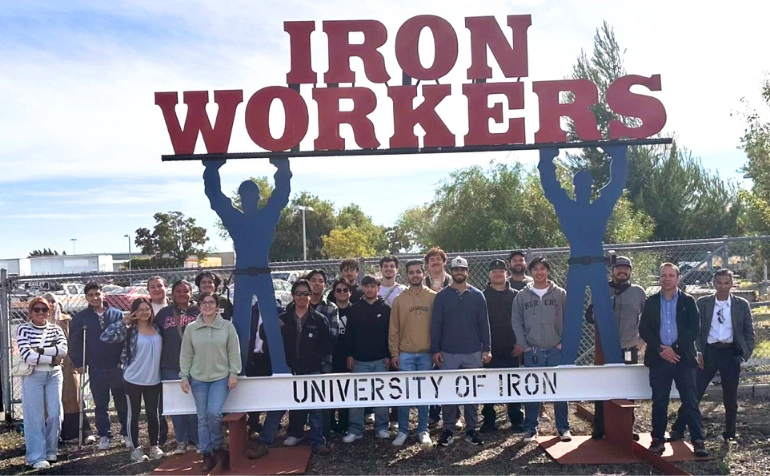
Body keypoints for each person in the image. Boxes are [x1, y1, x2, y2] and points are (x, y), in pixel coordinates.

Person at [539, 146, 627, 365]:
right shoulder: (570, 207)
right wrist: (545, 157)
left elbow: (616, 185)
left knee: (604, 316)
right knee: (572, 319)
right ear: (576, 188)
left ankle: (614, 363)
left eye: (586, 185)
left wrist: (618, 156)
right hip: (577, 266)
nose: (583, 189)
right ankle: (568, 364)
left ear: (590, 187)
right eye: (581, 185)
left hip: (595, 265)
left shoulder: (597, 207)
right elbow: (550, 188)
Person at [204, 158, 291, 375]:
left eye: (252, 196)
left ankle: (279, 366)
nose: (249, 200)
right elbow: (215, 198)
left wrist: (283, 168)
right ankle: (239, 368)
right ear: (241, 198)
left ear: (257, 198)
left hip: (261, 274)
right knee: (241, 324)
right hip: (244, 275)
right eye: (245, 196)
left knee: (271, 323)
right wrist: (211, 169)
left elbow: (281, 195)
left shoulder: (265, 216)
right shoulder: (238, 219)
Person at [247, 280, 332, 459]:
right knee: (277, 407)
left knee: (315, 408)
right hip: (287, 370)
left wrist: (314, 361)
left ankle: (318, 442)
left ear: (310, 296)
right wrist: (270, 324)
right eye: (298, 293)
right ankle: (264, 443)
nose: (302, 297)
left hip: (311, 370)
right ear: (293, 296)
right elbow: (263, 334)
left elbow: (327, 346)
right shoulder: (283, 318)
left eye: (305, 293)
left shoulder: (320, 320)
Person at [670, 268, 755, 443]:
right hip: (708, 353)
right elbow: (695, 330)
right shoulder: (703, 303)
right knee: (694, 392)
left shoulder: (741, 304)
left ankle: (730, 433)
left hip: (731, 353)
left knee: (730, 396)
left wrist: (744, 354)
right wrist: (697, 352)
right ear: (713, 283)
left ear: (732, 284)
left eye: (726, 283)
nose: (723, 286)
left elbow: (749, 332)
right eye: (719, 282)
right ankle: (678, 429)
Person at [638, 263, 708, 457]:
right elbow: (644, 329)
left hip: (683, 359)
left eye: (671, 275)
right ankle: (658, 440)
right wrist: (661, 349)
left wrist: (674, 348)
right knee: (659, 401)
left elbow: (694, 329)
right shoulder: (651, 302)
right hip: (659, 358)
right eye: (663, 276)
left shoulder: (688, 301)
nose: (667, 279)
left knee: (690, 401)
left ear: (678, 279)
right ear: (659, 279)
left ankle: (698, 441)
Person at [431, 256, 491, 447]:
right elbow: (436, 325)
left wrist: (487, 348)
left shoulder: (477, 295)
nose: (459, 273)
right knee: (449, 392)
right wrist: (436, 349)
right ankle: (448, 429)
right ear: (452, 272)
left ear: (467, 272)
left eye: (462, 270)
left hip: (473, 351)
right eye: (456, 270)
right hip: (448, 352)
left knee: (472, 392)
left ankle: (471, 429)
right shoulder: (442, 296)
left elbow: (484, 324)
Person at [585, 256, 647, 439]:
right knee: (602, 386)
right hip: (604, 348)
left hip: (628, 346)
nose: (622, 271)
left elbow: (649, 316)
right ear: (612, 271)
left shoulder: (638, 291)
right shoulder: (601, 289)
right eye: (619, 268)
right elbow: (589, 316)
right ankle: (600, 426)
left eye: (626, 268)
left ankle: (627, 427)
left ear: (630, 271)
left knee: (628, 387)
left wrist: (643, 339)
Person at [180, 292, 242, 471]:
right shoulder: (191, 328)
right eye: (204, 303)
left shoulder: (227, 327)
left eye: (211, 302)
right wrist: (184, 376)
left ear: (217, 306)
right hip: (198, 379)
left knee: (214, 413)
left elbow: (234, 352)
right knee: (202, 417)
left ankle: (217, 447)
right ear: (199, 306)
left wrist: (233, 373)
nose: (207, 305)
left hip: (220, 378)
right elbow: (186, 354)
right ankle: (206, 454)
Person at [511, 257, 571, 443]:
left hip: (556, 348)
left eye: (543, 268)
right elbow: (516, 321)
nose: (539, 272)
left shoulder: (560, 294)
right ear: (530, 272)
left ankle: (563, 427)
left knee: (560, 389)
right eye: (535, 269)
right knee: (532, 390)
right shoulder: (522, 296)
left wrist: (564, 342)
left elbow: (571, 317)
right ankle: (531, 428)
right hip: (533, 350)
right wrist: (525, 345)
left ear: (548, 271)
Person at [100, 298, 165, 462]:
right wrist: (124, 321)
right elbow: (105, 337)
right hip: (133, 378)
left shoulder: (158, 328)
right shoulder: (129, 330)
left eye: (147, 309)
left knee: (153, 414)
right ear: (134, 312)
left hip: (154, 378)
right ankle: (136, 448)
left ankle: (154, 446)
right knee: (133, 415)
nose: (144, 312)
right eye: (140, 309)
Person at [69, 282, 128, 451]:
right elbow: (75, 342)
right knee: (101, 403)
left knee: (121, 401)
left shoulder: (117, 314)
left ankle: (126, 433)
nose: (95, 298)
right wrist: (79, 363)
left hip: (116, 365)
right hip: (96, 366)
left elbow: (125, 338)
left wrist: (123, 360)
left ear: (103, 294)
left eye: (97, 294)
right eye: (91, 295)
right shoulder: (81, 318)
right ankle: (105, 435)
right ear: (86, 297)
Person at [17, 297, 68, 469]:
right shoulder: (23, 329)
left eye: (44, 309)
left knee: (55, 414)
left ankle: (50, 450)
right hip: (33, 377)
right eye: (36, 309)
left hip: (54, 376)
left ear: (50, 311)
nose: (40, 313)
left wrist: (40, 351)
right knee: (35, 417)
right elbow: (27, 355)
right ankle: (35, 456)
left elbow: (63, 350)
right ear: (30, 312)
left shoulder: (55, 329)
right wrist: (52, 359)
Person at [389, 260, 436, 446]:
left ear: (424, 273)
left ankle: (423, 430)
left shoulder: (433, 297)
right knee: (404, 395)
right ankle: (402, 430)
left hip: (426, 354)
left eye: (418, 272)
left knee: (424, 394)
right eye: (411, 272)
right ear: (406, 275)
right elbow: (394, 329)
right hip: (405, 354)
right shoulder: (399, 300)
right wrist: (394, 353)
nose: (415, 275)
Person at [342, 275, 392, 443]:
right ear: (362, 288)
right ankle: (355, 429)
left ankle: (382, 428)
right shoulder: (355, 309)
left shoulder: (386, 309)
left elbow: (389, 335)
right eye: (366, 286)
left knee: (382, 396)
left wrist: (388, 355)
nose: (369, 289)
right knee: (357, 396)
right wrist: (349, 354)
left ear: (378, 288)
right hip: (360, 361)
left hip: (380, 360)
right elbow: (349, 334)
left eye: (373, 286)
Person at [42, 293, 95, 445]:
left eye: (53, 301)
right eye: (48, 301)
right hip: (46, 366)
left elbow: (75, 342)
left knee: (73, 398)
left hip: (68, 364)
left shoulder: (66, 320)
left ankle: (84, 432)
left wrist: (78, 362)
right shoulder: (38, 321)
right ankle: (57, 434)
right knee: (50, 401)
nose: (51, 304)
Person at [155, 280, 200, 454]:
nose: (182, 294)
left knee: (197, 404)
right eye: (178, 291)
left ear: (191, 293)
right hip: (170, 365)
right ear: (172, 294)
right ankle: (181, 440)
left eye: (186, 291)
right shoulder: (164, 313)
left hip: (197, 366)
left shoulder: (199, 311)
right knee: (177, 406)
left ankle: (196, 439)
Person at [480, 259, 524, 433]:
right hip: (490, 348)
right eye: (494, 271)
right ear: (489, 275)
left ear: (507, 273)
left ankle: (516, 419)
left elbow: (521, 321)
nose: (498, 274)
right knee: (488, 385)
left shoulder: (516, 295)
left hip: (511, 347)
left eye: (501, 270)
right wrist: (484, 346)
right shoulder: (482, 295)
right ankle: (489, 420)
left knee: (513, 384)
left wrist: (520, 342)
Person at [301, 269, 339, 440]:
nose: (317, 283)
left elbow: (332, 336)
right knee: (300, 395)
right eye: (314, 280)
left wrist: (315, 354)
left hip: (323, 361)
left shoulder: (331, 308)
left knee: (324, 396)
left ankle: (324, 432)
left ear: (324, 285)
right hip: (300, 361)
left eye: (321, 281)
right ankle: (297, 432)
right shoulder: (296, 306)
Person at [424, 246, 452, 428]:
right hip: (426, 332)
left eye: (438, 259)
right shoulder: (423, 281)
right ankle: (433, 415)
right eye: (432, 259)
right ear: (427, 265)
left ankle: (451, 416)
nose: (435, 262)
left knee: (447, 375)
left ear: (444, 262)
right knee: (430, 376)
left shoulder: (452, 280)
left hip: (448, 333)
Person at [329, 278, 354, 436]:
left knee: (347, 390)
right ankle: (331, 424)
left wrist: (352, 354)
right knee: (331, 390)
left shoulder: (355, 310)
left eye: (345, 290)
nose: (342, 293)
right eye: (339, 290)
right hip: (332, 355)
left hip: (349, 356)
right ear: (334, 293)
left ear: (350, 293)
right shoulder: (329, 309)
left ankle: (345, 424)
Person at [146, 276, 170, 444]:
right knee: (155, 399)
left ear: (165, 288)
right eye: (152, 287)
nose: (156, 289)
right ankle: (161, 434)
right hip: (150, 361)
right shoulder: (144, 308)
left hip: (171, 358)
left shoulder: (174, 308)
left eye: (159, 286)